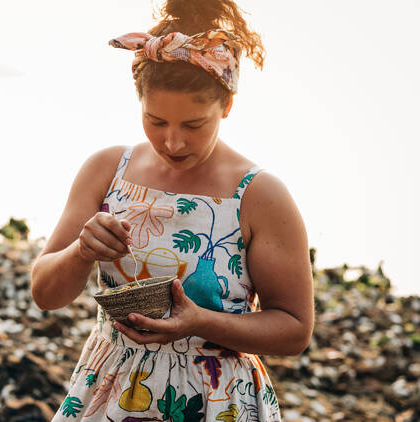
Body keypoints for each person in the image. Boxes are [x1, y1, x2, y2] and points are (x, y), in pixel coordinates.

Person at [29, 0, 314, 420]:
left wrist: (199, 321)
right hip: (109, 389)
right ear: (138, 99)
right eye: (156, 121)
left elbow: (293, 330)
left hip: (217, 400)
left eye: (194, 125)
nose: (173, 143)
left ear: (227, 105)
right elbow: (45, 294)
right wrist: (81, 252)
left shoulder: (259, 195)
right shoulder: (107, 170)